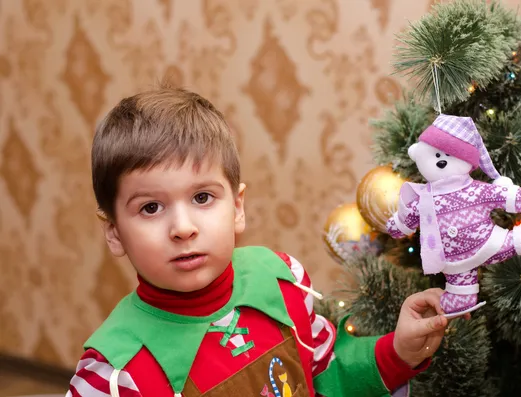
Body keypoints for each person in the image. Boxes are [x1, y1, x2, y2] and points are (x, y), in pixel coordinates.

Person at [66, 86, 457, 397]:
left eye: (202, 198)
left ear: (237, 207)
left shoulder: (281, 280)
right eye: (150, 207)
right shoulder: (115, 372)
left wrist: (399, 350)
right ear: (114, 232)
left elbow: (326, 374)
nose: (182, 228)